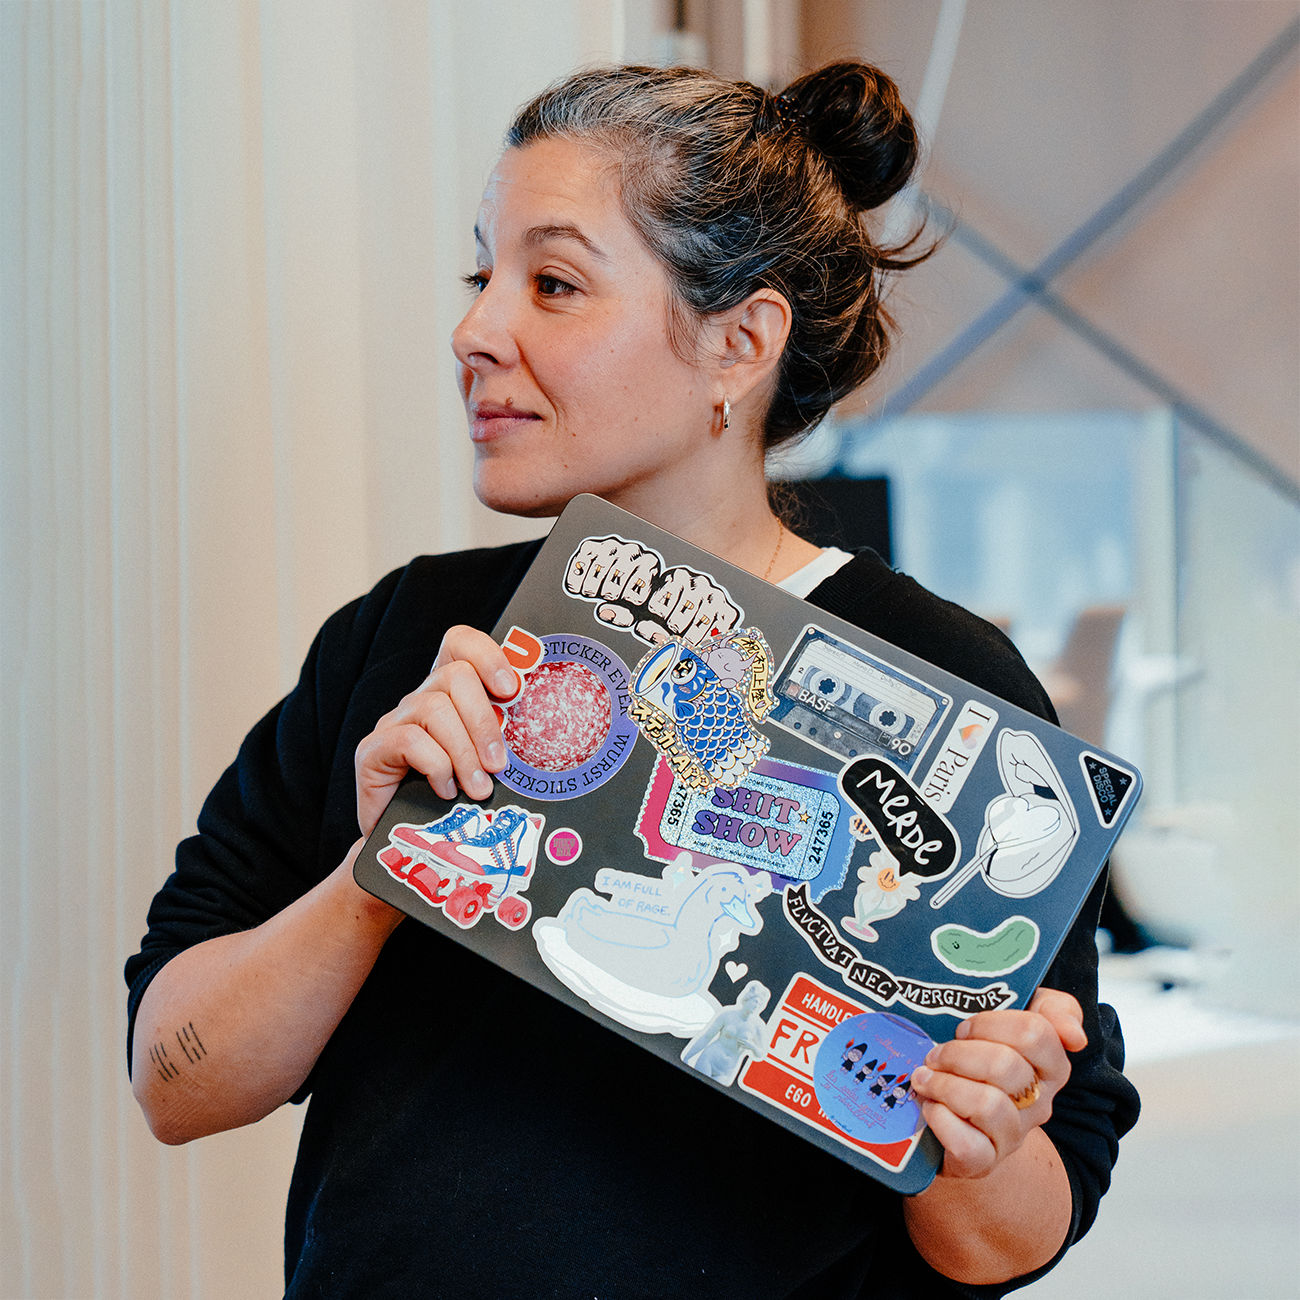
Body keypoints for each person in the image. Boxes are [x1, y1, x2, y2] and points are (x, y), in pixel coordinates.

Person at [126, 62, 1139, 1298]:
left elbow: (1019, 1233)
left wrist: (980, 1138)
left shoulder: (947, 690)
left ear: (739, 342)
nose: (476, 330)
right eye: (482, 276)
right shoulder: (410, 634)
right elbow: (174, 1082)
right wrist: (384, 867)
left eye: (551, 283)